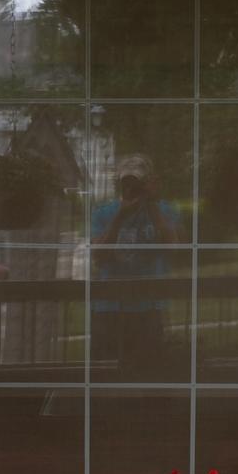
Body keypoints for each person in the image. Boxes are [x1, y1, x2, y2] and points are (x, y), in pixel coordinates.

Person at [89, 153, 181, 375]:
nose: (131, 188)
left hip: (149, 306)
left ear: (149, 182)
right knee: (107, 372)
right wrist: (120, 217)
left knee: (151, 372)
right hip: (110, 307)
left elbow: (175, 248)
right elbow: (98, 255)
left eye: (136, 183)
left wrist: (152, 205)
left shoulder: (164, 210)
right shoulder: (104, 213)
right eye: (126, 183)